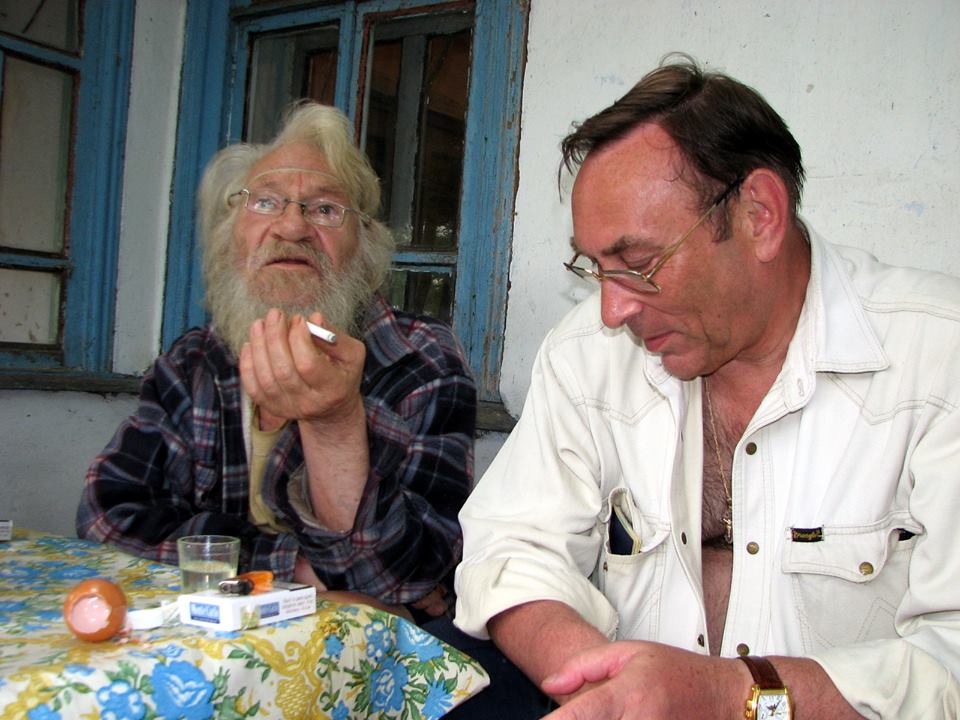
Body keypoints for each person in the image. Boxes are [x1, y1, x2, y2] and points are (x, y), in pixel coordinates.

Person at [453, 54, 960, 718]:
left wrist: (728, 697)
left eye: (638, 263)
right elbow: (512, 546)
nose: (612, 309)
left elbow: (951, 656)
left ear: (759, 215)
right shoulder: (587, 354)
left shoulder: (938, 358)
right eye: (595, 267)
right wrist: (606, 687)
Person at [77, 102, 476, 622]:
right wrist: (295, 570)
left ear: (364, 246)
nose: (292, 227)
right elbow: (106, 518)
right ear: (230, 238)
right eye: (265, 202)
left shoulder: (420, 357)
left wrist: (334, 421)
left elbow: (408, 579)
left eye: (325, 209)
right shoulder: (193, 362)